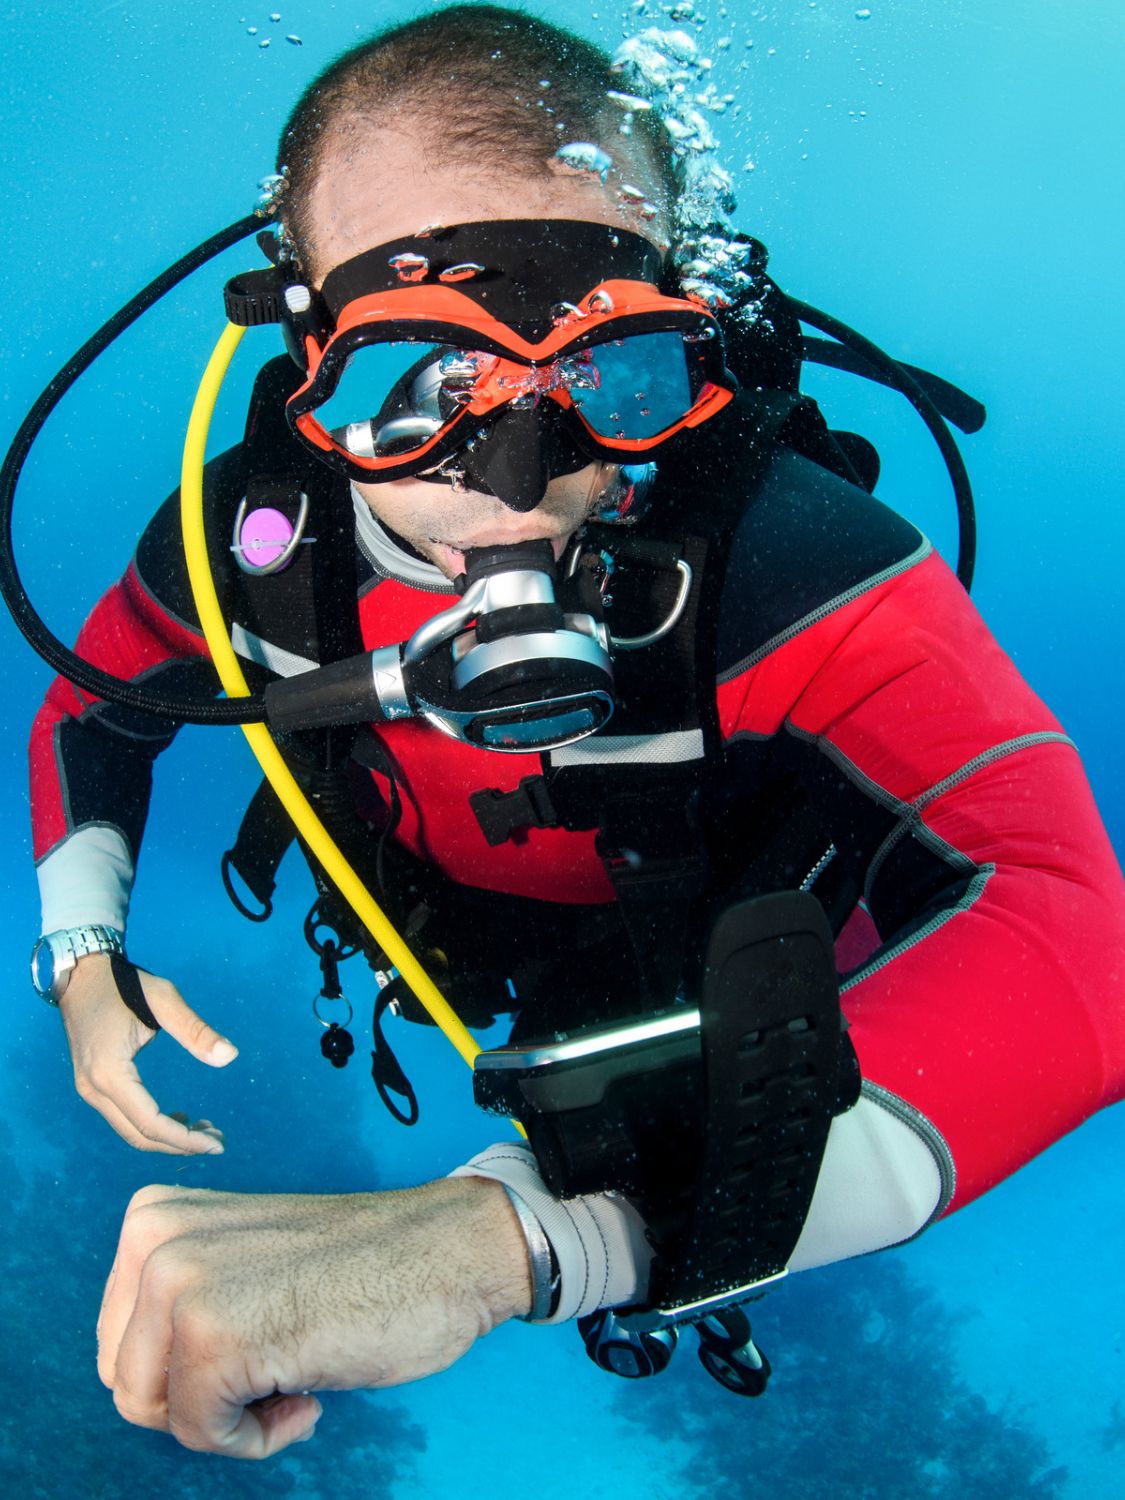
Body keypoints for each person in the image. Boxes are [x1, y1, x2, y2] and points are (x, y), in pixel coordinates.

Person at [22, 3, 1125, 1461]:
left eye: (609, 372)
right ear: (307, 351)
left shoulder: (785, 564)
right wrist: (82, 951)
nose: (515, 476)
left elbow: (1077, 933)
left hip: (732, 971)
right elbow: (93, 708)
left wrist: (534, 1241)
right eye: (421, 376)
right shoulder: (248, 549)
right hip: (463, 948)